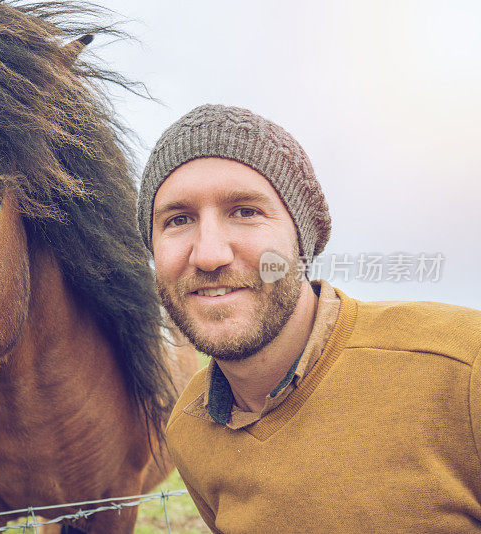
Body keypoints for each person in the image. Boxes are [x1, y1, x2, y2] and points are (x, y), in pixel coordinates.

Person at [137, 104, 481, 532]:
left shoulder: (464, 367)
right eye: (178, 219)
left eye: (245, 211)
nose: (208, 254)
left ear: (304, 240)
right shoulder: (189, 430)